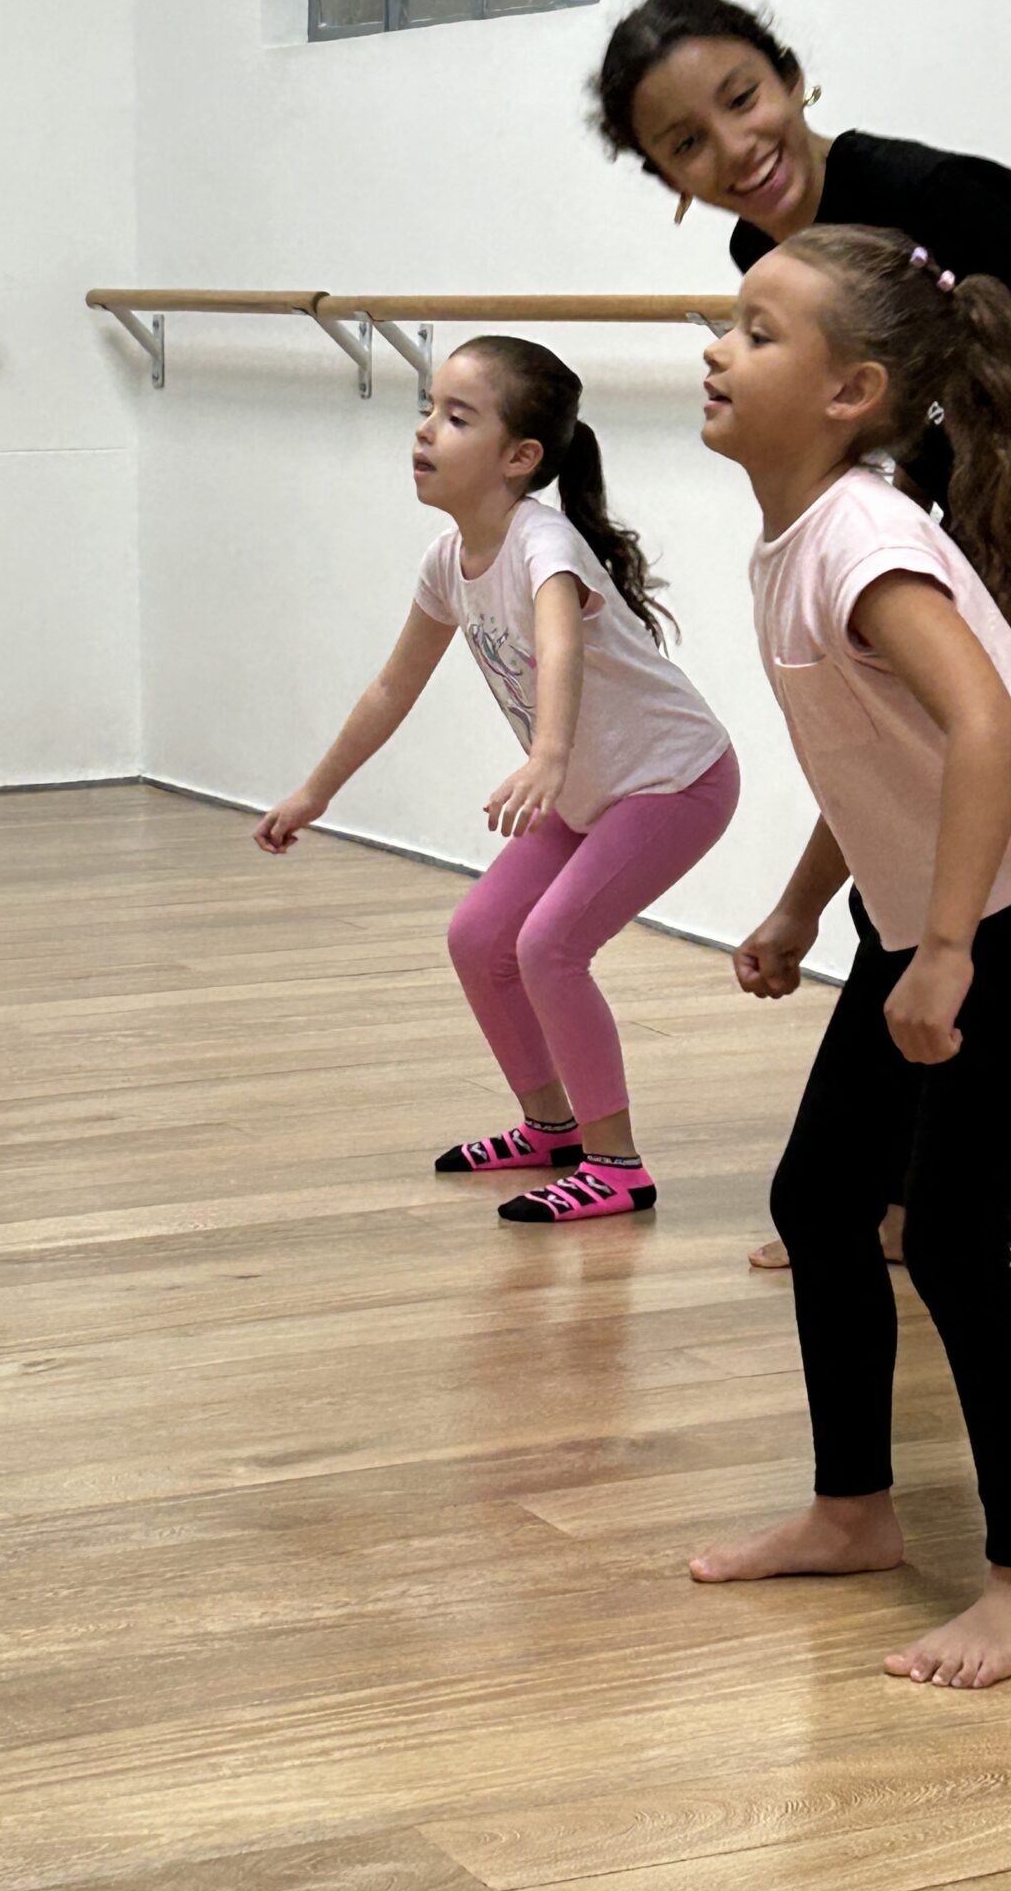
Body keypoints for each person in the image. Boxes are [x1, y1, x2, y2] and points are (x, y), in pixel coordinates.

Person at [593, 0, 1011, 1395]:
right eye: (686, 143)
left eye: (743, 98)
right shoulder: (774, 254)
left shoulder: (938, 194)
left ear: (792, 76)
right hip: (987, 605)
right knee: (920, 887)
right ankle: (895, 1198)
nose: (733, 147)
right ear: (667, 179)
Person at [690, 226, 1011, 1687]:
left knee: (949, 1239)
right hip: (938, 910)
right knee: (822, 1201)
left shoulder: (865, 541)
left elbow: (987, 730)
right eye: (729, 322)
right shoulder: (805, 536)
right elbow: (881, 757)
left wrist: (942, 953)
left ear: (852, 391)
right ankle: (853, 1512)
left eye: (758, 332)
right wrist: (804, 907)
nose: (718, 349)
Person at [255, 335, 738, 1224]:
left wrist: (547, 756)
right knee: (480, 937)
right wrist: (317, 792)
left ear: (520, 458)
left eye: (456, 416)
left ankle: (616, 1165)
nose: (424, 430)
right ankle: (551, 1128)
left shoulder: (542, 544)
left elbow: (559, 644)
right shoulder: (448, 561)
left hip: (673, 782)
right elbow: (392, 687)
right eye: (428, 410)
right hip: (589, 792)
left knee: (549, 947)